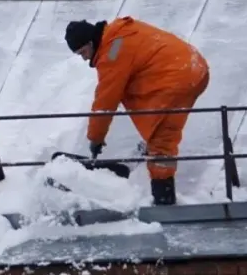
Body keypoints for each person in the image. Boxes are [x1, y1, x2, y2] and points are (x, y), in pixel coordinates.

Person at [65, 17, 210, 207]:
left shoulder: (112, 52)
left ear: (91, 42)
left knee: (161, 140)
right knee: (148, 110)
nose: (84, 58)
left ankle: (164, 198)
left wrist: (95, 138)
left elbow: (106, 99)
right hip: (191, 67)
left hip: (177, 77)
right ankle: (156, 172)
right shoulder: (118, 34)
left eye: (83, 52)